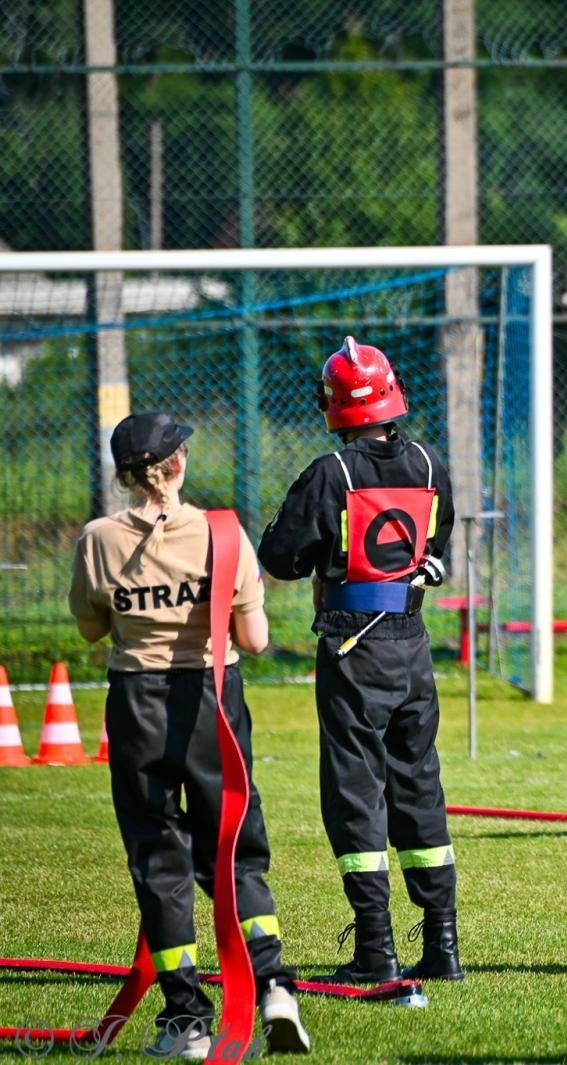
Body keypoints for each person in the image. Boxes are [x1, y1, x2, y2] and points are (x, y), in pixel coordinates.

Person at [69, 411, 311, 1059]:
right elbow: (255, 640)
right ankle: (274, 985)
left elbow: (92, 630)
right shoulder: (222, 533)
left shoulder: (97, 538)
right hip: (213, 699)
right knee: (233, 845)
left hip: (137, 704)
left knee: (157, 855)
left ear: (125, 475)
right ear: (178, 464)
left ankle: (187, 1018)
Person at [258, 337, 462, 985]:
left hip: (352, 645)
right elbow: (438, 537)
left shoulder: (331, 473)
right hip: (412, 643)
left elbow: (281, 557)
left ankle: (375, 946)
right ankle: (443, 943)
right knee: (419, 783)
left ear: (334, 405)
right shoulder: (432, 465)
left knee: (355, 790)